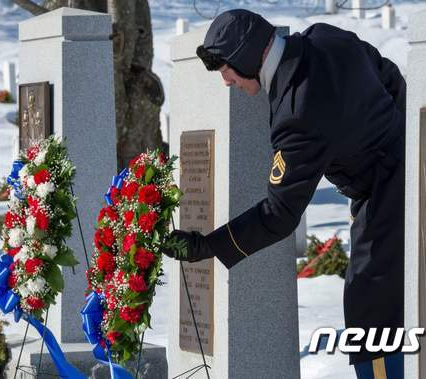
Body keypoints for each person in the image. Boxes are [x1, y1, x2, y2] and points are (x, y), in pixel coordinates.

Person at [164, 9, 406, 379]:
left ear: (246, 56)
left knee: (370, 311)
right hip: (401, 172)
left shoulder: (297, 114)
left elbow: (278, 215)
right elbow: (389, 75)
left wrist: (207, 247)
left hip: (386, 191)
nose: (226, 81)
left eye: (225, 69)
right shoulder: (324, 36)